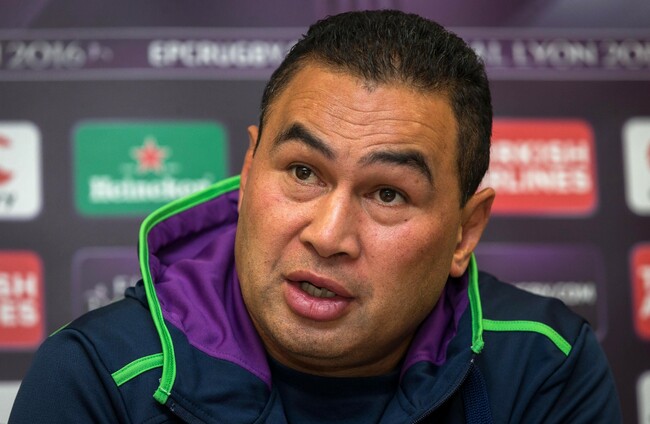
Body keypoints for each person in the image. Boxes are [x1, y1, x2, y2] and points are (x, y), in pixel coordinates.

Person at [9, 10, 620, 423]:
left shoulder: (544, 364)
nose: (328, 236)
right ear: (249, 171)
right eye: (303, 172)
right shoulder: (97, 378)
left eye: (388, 195)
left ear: (465, 232)